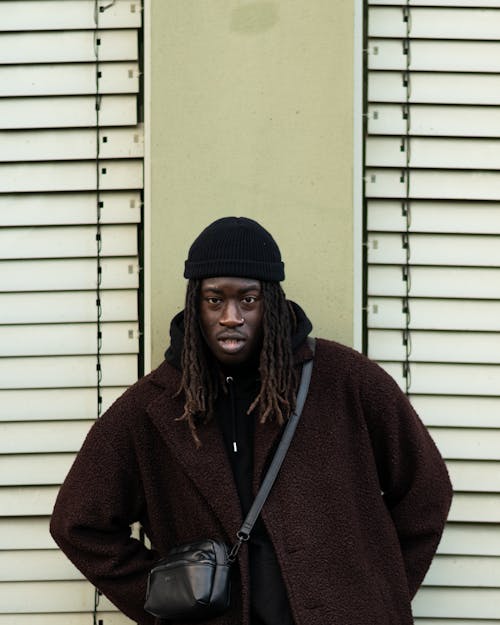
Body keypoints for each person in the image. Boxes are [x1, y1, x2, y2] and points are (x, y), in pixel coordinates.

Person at [50, 216, 452, 625]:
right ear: (195, 303)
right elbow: (78, 524)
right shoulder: (152, 407)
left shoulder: (345, 380)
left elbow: (426, 490)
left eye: (248, 299)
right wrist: (163, 604)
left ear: (270, 303)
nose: (230, 316)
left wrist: (379, 595)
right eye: (214, 300)